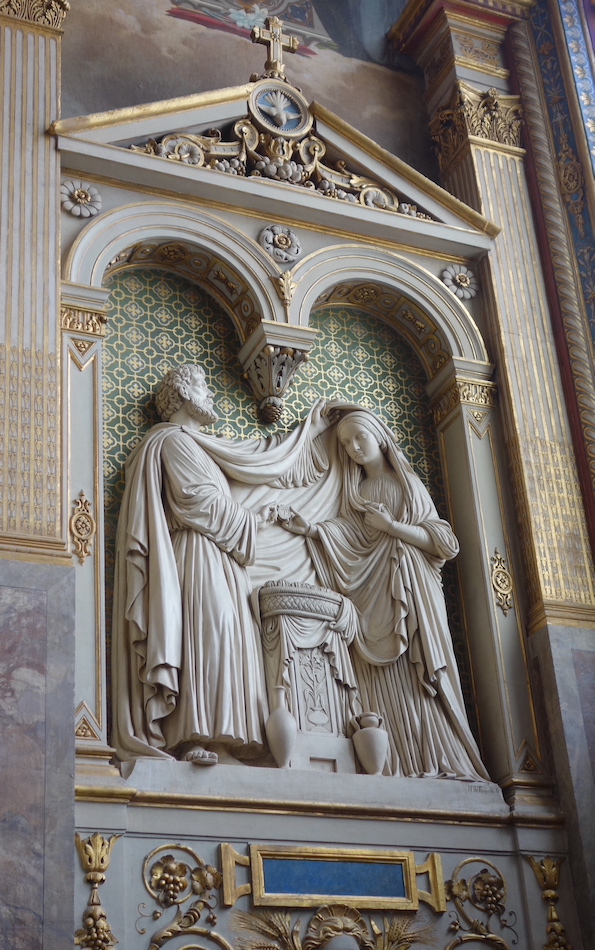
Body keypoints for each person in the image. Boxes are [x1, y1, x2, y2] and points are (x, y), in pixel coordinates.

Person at [111, 363, 331, 766]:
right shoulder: (174, 442)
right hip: (196, 554)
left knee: (230, 640)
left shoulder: (201, 445)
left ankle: (225, 741)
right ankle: (191, 735)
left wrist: (311, 434)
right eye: (202, 386)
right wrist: (254, 519)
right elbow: (197, 502)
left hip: (222, 557)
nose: (210, 394)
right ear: (183, 395)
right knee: (208, 636)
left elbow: (260, 461)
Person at [278, 408, 489, 780]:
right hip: (374, 599)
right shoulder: (357, 492)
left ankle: (439, 759)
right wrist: (311, 529)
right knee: (383, 682)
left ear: (379, 436)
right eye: (346, 443)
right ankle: (400, 763)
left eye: (359, 437)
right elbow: (353, 540)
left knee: (418, 677)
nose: (354, 447)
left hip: (411, 591)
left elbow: (443, 542)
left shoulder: (406, 484)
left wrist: (393, 527)